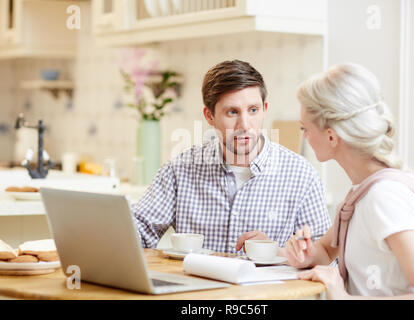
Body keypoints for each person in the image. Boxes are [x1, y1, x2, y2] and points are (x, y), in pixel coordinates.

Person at [284, 63, 414, 299]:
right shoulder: (364, 191)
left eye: (305, 129)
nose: (305, 137)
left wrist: (343, 297)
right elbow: (325, 249)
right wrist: (307, 254)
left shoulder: (383, 198)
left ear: (331, 136)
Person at [132, 59, 331, 254]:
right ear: (209, 116)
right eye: (232, 112)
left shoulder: (301, 175)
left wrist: (276, 252)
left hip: (266, 288)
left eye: (253, 110)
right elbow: (138, 231)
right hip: (199, 287)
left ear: (264, 110)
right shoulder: (180, 169)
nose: (244, 125)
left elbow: (327, 261)